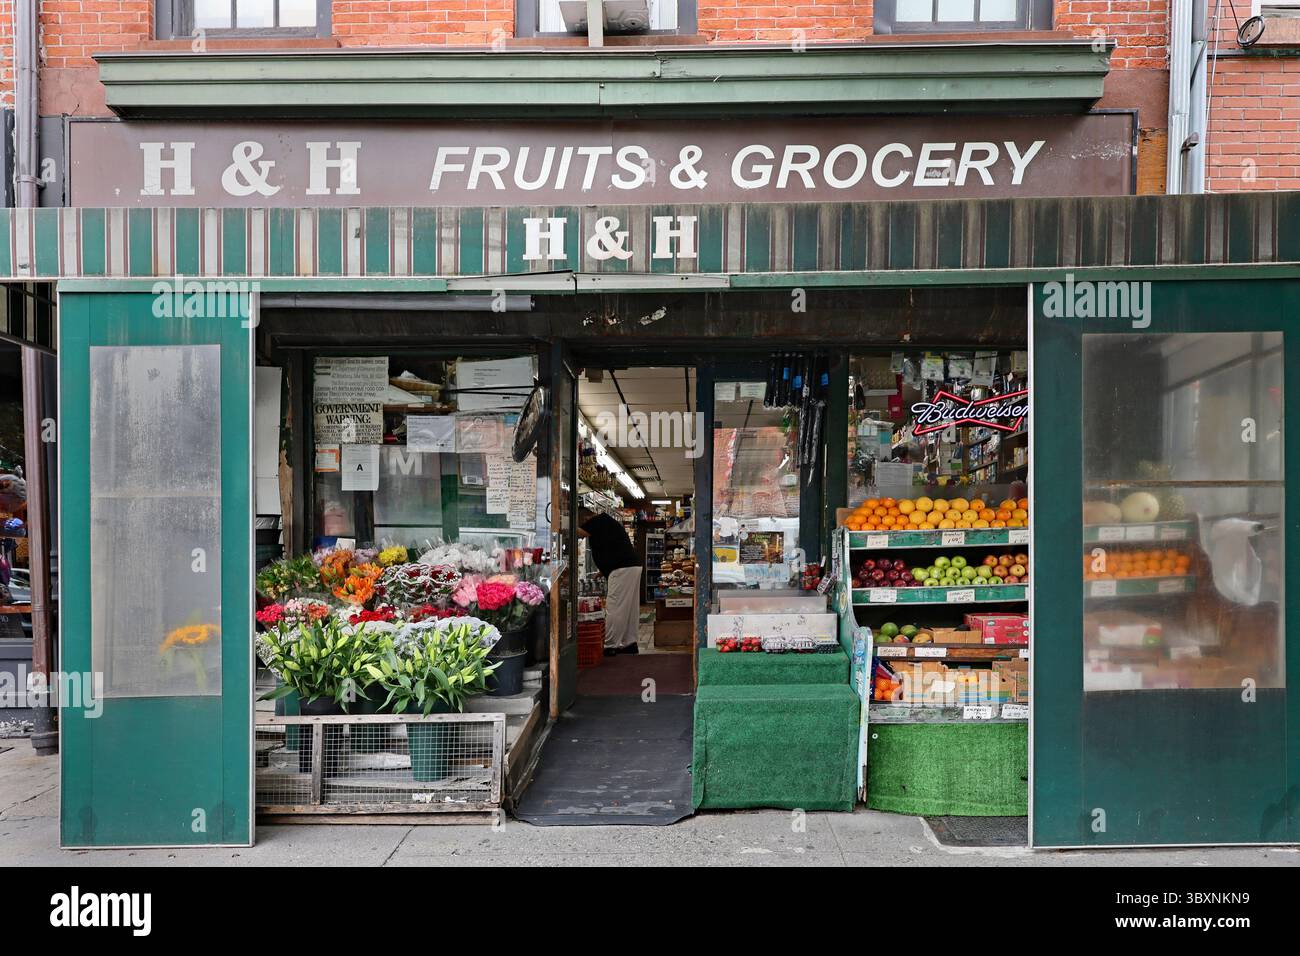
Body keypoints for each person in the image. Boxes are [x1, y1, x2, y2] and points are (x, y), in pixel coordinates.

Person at [578, 508, 642, 655]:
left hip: (622, 569)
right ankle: (629, 643)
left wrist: (563, 523)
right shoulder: (606, 522)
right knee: (630, 608)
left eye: (581, 522)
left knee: (615, 606)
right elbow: (612, 548)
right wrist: (602, 571)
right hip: (630, 567)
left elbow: (579, 532)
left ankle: (610, 645)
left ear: (586, 518)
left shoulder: (597, 520)